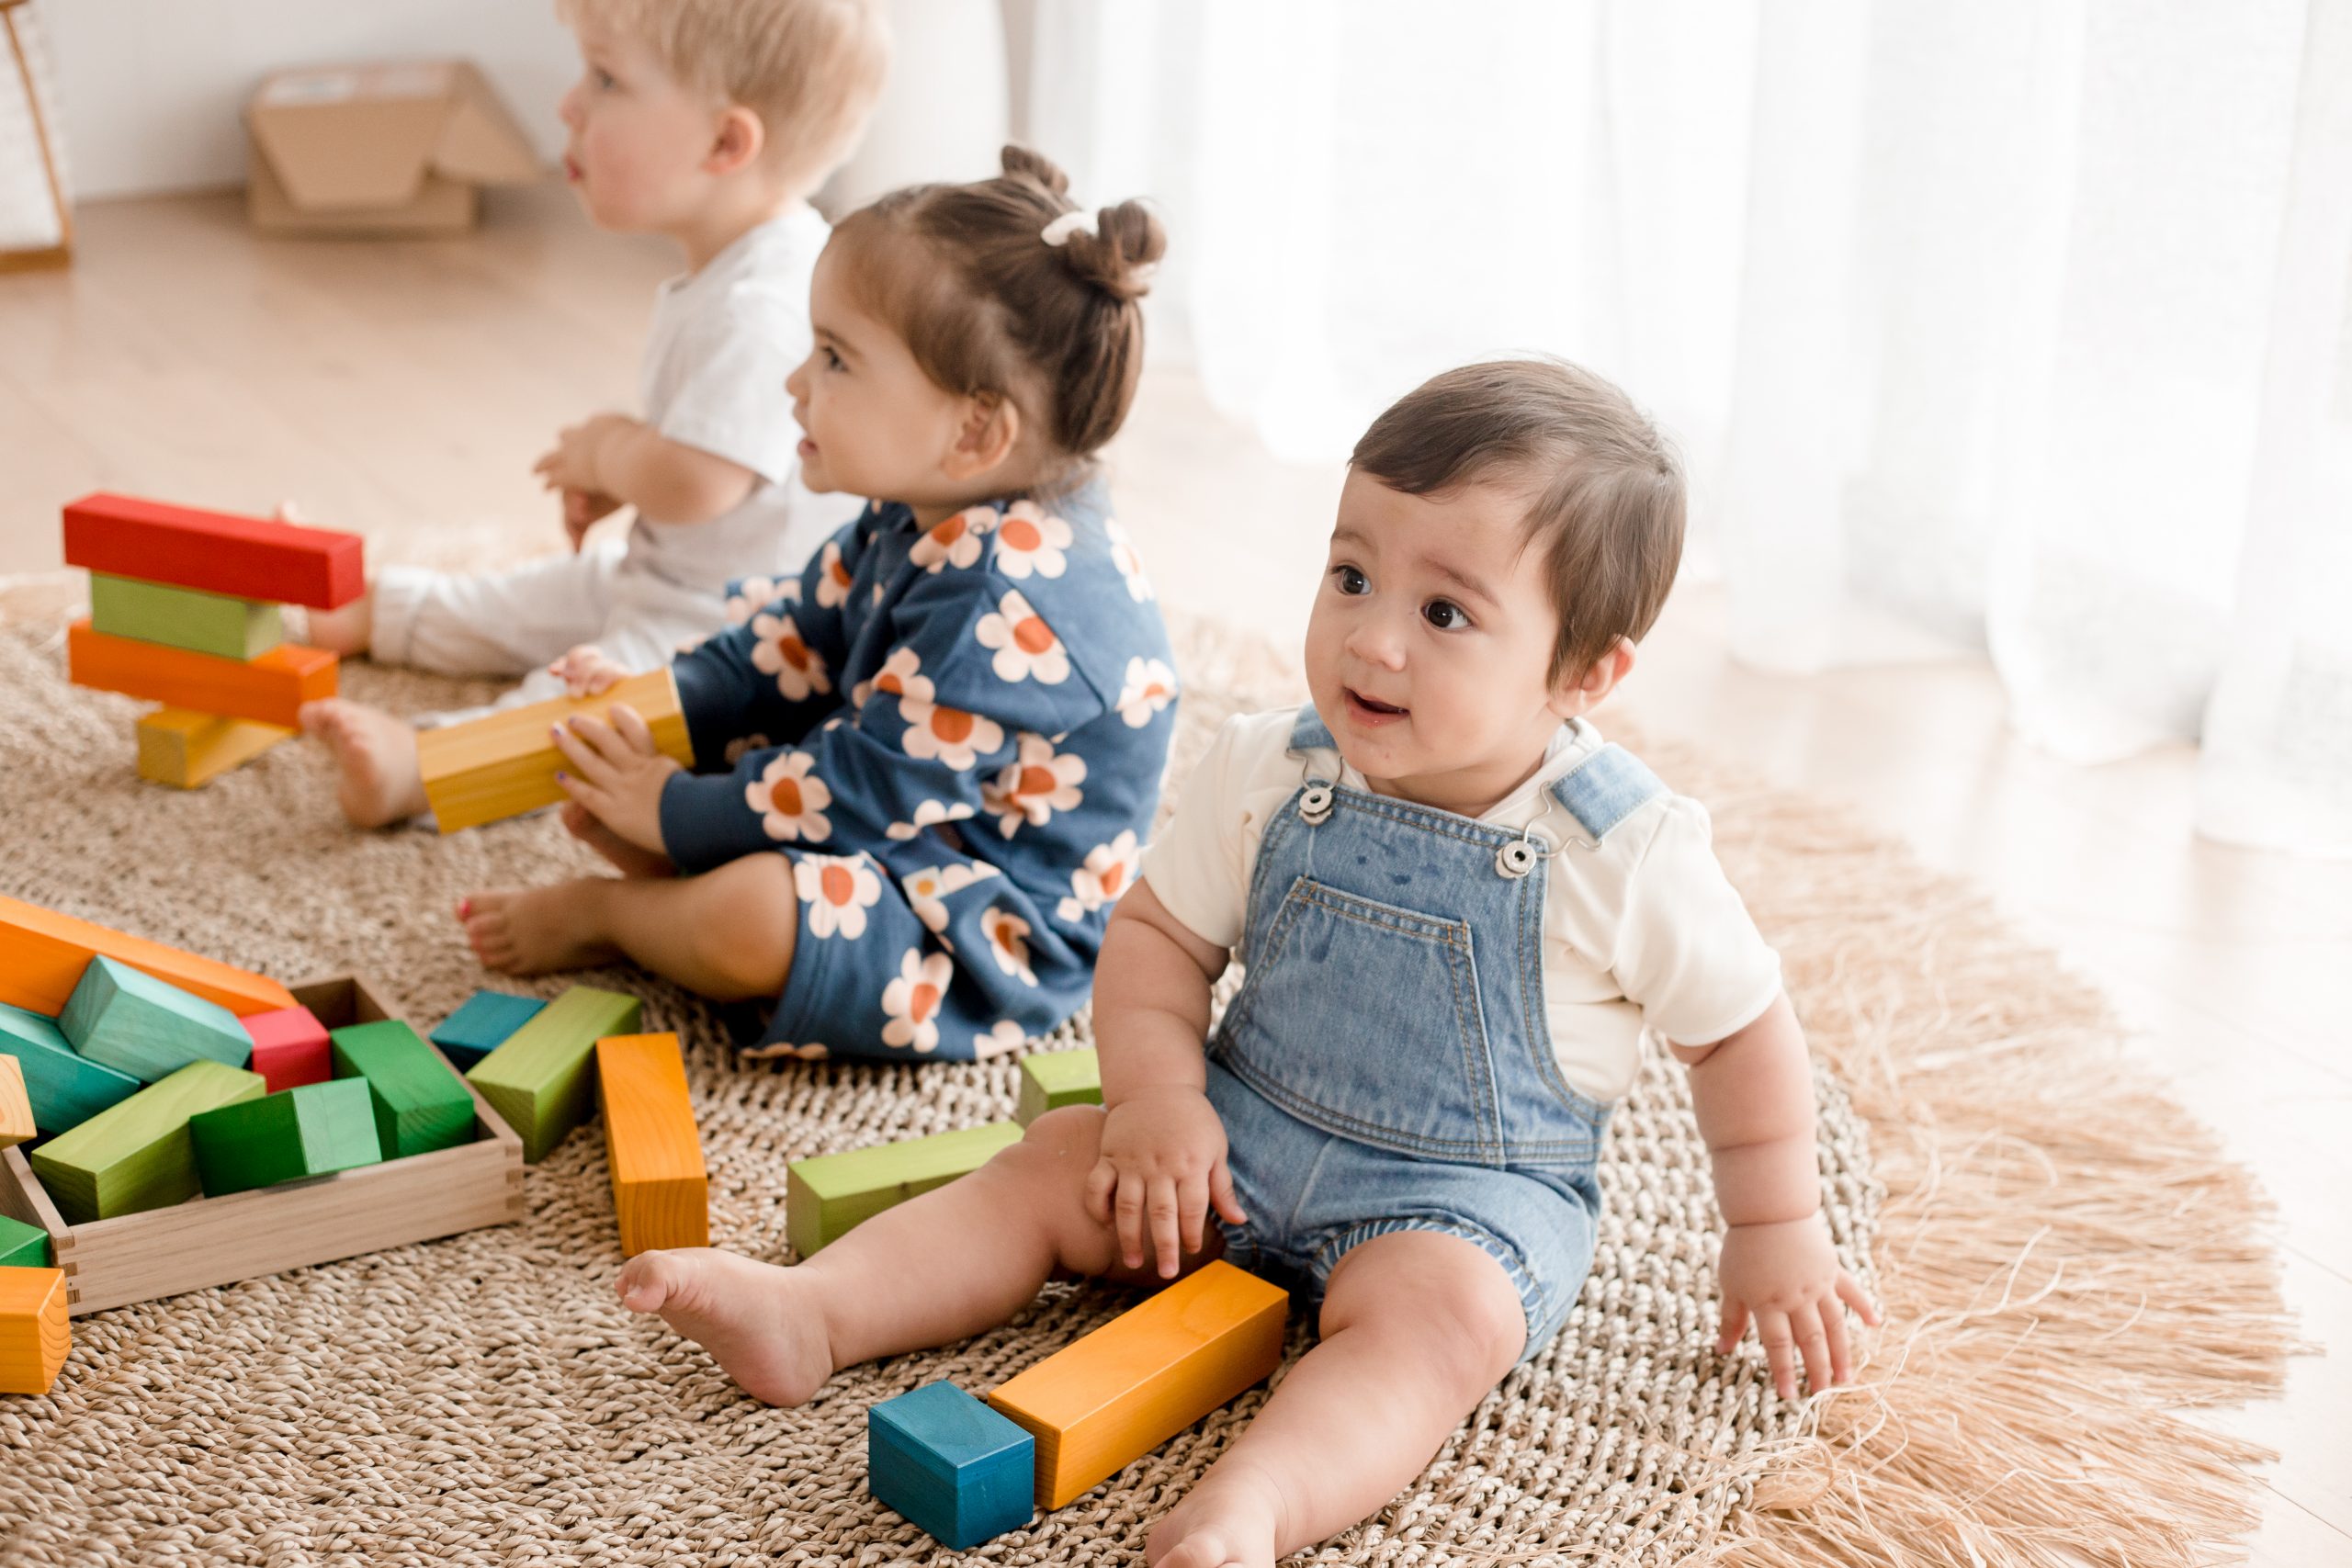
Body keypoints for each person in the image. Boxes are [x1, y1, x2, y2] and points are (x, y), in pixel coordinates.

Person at [611, 357, 1880, 1567]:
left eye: (1446, 612)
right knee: (1055, 1163)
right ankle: (814, 1310)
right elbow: (1159, 938)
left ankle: (1256, 1501)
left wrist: (1775, 1225)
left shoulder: (1625, 847)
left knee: (1443, 1323)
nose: (1373, 642)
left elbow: (1740, 1031)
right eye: (1350, 575)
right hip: (1233, 1131)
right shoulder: (1276, 772)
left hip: (1461, 1195)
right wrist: (1159, 1106)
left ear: (1583, 671)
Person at [458, 148, 1181, 1066]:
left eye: (836, 359)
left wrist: (678, 811)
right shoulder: (924, 503)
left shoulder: (1010, 598)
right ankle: (685, 861)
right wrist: (661, 701)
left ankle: (624, 917)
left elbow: (857, 789)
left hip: (983, 922)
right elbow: (794, 645)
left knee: (747, 919)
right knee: (648, 749)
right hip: (900, 807)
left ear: (972, 432)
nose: (795, 384)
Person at [302, 0, 888, 829]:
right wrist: (629, 471)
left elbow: (695, 481)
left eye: (606, 80)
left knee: (602, 706)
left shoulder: (763, 302)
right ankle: (380, 612)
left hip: (741, 627)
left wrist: (611, 452)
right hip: (676, 575)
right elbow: (721, 459)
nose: (568, 105)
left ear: (726, 143)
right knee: (533, 597)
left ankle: (426, 768)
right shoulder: (742, 269)